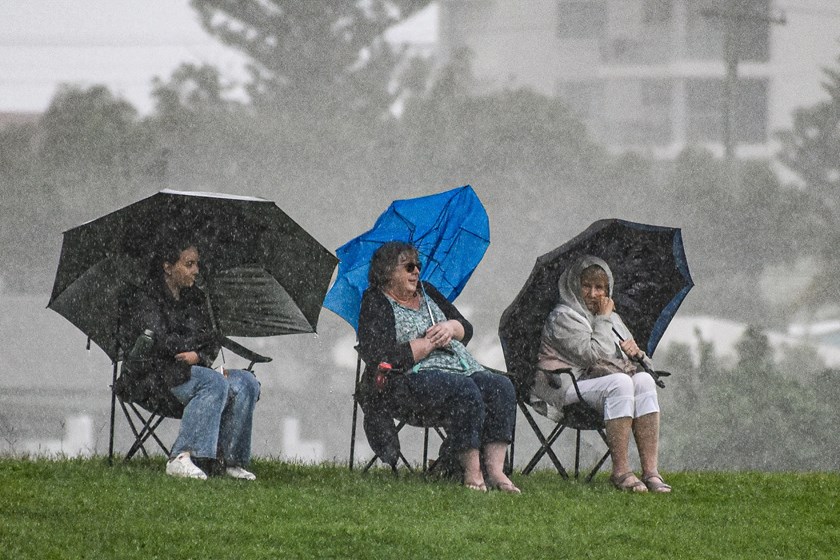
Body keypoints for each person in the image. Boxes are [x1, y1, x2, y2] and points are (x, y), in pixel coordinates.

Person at [357, 241, 520, 493]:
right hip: (409, 379)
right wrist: (427, 344)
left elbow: (466, 329)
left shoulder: (428, 291)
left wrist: (450, 328)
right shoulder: (375, 302)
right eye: (408, 267)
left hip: (461, 367)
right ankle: (472, 473)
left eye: (418, 266)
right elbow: (380, 355)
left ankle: (496, 471)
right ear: (388, 271)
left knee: (500, 387)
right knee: (463, 389)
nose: (416, 272)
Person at [119, 238, 261, 481]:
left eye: (197, 264)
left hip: (193, 373)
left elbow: (211, 339)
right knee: (213, 383)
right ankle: (181, 457)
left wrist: (200, 356)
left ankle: (229, 461)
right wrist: (195, 349)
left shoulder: (197, 298)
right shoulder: (146, 298)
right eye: (189, 264)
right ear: (168, 266)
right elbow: (160, 341)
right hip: (154, 381)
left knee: (246, 383)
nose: (196, 270)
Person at [535, 255, 671, 493]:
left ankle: (651, 472)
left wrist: (636, 354)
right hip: (567, 386)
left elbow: (640, 362)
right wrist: (603, 319)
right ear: (573, 285)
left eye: (600, 287)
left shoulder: (612, 319)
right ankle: (621, 472)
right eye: (586, 285)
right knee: (620, 383)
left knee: (643, 380)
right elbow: (594, 355)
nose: (593, 293)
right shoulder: (562, 317)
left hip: (599, 383)